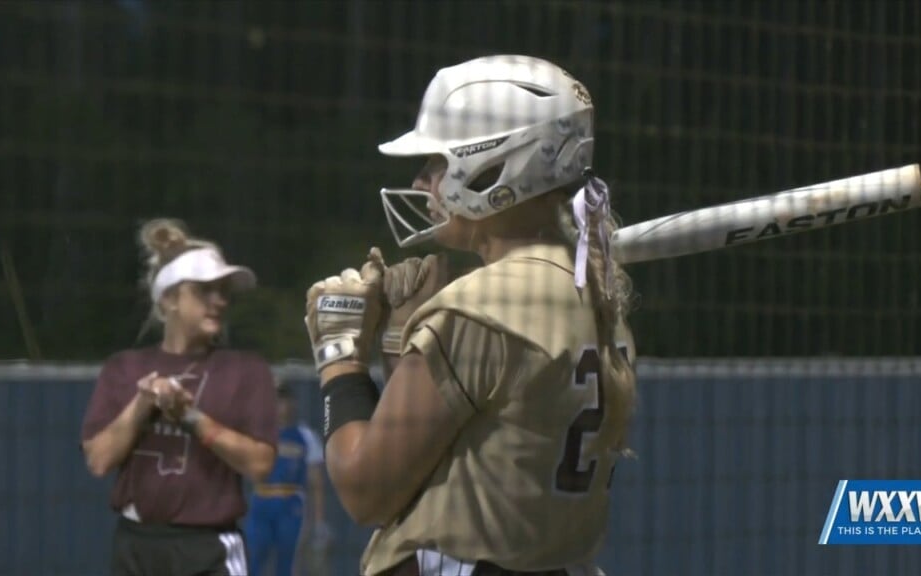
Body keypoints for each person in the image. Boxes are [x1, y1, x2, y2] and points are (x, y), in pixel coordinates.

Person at [304, 55, 637, 576]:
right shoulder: (594, 294)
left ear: (494, 163)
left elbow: (367, 491)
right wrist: (403, 339)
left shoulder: (480, 306)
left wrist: (340, 358)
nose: (422, 181)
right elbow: (457, 449)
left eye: (436, 163)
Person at [81, 218, 279, 576]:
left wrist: (191, 417)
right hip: (136, 546)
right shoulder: (124, 369)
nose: (219, 300)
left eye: (223, 291)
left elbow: (260, 464)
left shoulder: (245, 370)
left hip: (207, 547)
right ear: (170, 298)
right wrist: (141, 405)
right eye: (204, 290)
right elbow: (98, 460)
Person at [244, 382, 331, 576]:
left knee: (288, 562)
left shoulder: (305, 436)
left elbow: (316, 482)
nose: (278, 404)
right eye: (274, 399)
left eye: (283, 399)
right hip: (261, 500)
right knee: (253, 559)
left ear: (292, 403)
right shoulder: (257, 433)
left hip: (291, 504)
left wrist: (319, 523)